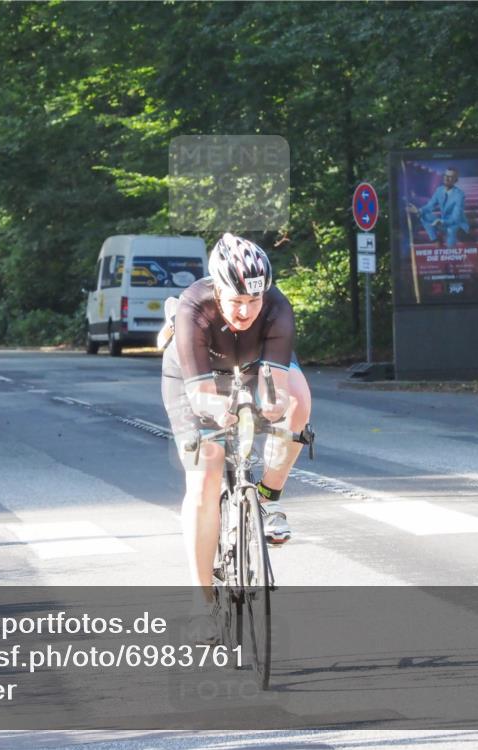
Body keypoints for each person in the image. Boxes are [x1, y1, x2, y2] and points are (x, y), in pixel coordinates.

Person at [160, 233, 312, 639]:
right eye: (236, 301)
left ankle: (265, 499)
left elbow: (276, 384)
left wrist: (272, 408)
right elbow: (201, 397)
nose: (245, 310)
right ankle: (201, 601)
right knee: (206, 473)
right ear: (217, 289)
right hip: (196, 375)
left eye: (254, 301)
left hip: (251, 362)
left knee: (298, 400)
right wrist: (226, 413)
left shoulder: (278, 308)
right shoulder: (194, 307)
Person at [407, 166, 469, 248]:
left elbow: (456, 218)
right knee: (424, 215)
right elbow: (430, 205)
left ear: (455, 180)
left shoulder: (459, 195)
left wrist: (442, 222)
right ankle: (435, 240)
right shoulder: (439, 190)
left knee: (451, 231)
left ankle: (450, 254)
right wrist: (418, 211)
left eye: (450, 177)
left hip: (458, 226)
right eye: (446, 176)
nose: (446, 178)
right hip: (444, 223)